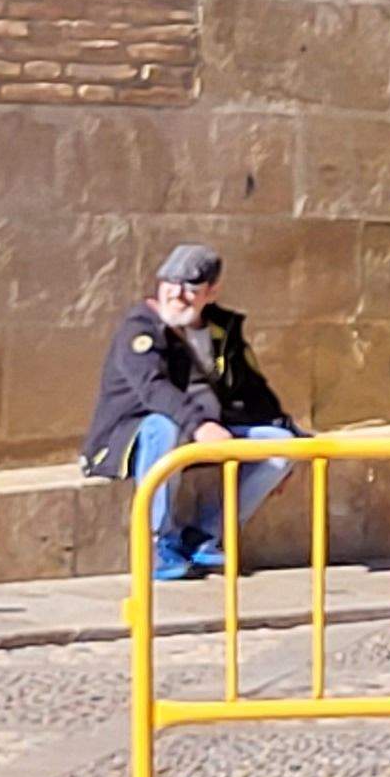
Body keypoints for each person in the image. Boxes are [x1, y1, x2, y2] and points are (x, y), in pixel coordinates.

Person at [84, 244, 301, 581]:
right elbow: (153, 388)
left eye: (191, 288)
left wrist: (298, 439)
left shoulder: (219, 330)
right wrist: (199, 424)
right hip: (132, 440)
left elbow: (252, 389)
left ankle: (204, 535)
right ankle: (157, 543)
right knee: (164, 425)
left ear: (211, 292)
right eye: (170, 284)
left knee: (280, 445)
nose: (178, 295)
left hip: (201, 435)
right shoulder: (140, 328)